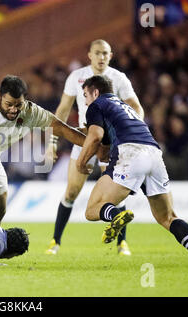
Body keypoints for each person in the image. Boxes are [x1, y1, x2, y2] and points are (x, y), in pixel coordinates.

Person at [0, 75, 106, 267]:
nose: (14, 109)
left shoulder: (31, 112)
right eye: (9, 104)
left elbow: (62, 129)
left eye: (18, 105)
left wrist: (96, 147)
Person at [77, 74, 188, 267]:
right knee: (168, 217)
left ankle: (117, 216)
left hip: (130, 154)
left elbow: (95, 136)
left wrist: (80, 162)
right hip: (154, 154)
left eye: (85, 95)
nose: (85, 100)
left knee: (92, 210)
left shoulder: (97, 105)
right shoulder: (123, 107)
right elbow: (107, 143)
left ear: (96, 92)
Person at [45, 39, 145, 256]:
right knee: (71, 191)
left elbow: (137, 108)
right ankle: (55, 241)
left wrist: (128, 132)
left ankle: (122, 244)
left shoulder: (118, 78)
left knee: (114, 192)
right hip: (84, 139)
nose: (101, 57)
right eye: (97, 53)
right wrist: (52, 142)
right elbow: (62, 110)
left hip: (109, 142)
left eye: (105, 53)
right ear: (89, 55)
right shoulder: (76, 77)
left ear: (111, 55)